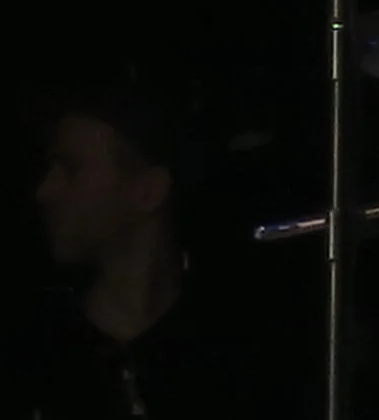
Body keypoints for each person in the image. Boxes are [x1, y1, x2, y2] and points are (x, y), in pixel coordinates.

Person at [25, 78, 263, 420]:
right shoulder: (37, 353)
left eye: (71, 168)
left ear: (148, 191)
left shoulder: (230, 357)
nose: (45, 191)